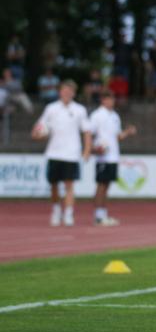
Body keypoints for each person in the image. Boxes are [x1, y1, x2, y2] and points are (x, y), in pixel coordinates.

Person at [31, 80, 92, 227]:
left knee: (69, 185)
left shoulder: (79, 110)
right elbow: (38, 130)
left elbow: (87, 132)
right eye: (64, 90)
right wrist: (38, 134)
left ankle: (69, 213)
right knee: (54, 186)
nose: (67, 93)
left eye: (70, 91)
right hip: (54, 153)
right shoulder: (51, 109)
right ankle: (56, 210)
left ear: (74, 93)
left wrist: (87, 150)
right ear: (60, 92)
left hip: (71, 154)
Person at [89, 90, 137, 226]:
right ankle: (98, 216)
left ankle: (103, 214)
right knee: (101, 185)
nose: (111, 101)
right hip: (103, 157)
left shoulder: (115, 116)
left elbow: (117, 136)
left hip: (113, 156)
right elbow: (89, 134)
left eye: (112, 99)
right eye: (108, 99)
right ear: (102, 100)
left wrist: (127, 132)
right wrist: (94, 148)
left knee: (107, 186)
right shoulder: (96, 115)